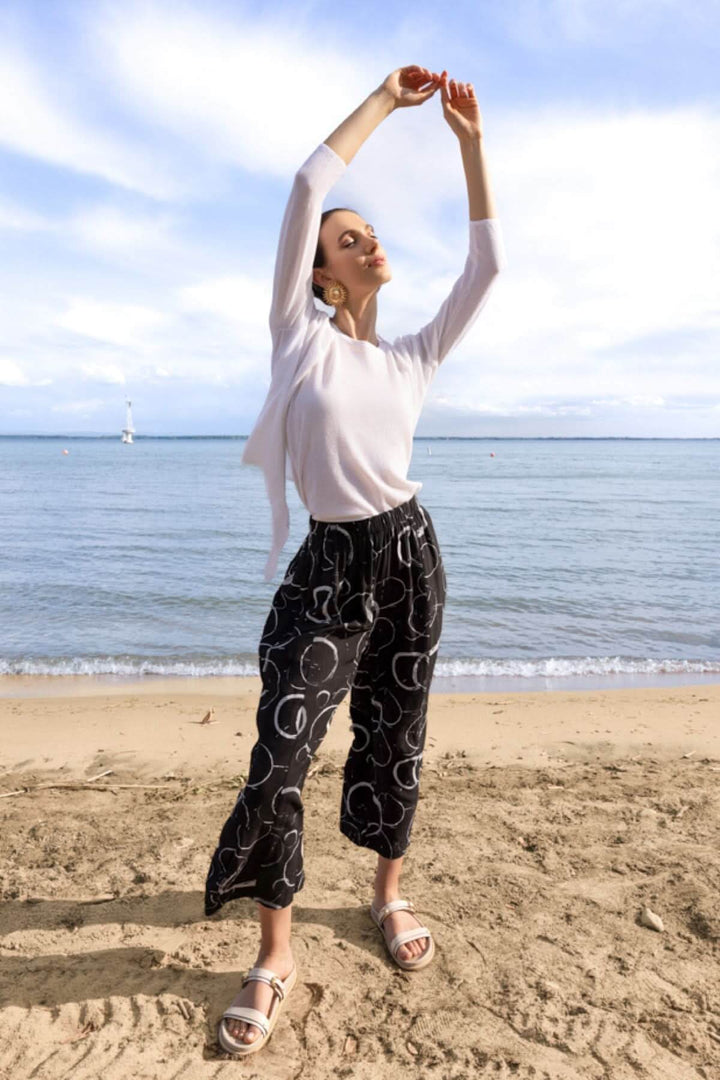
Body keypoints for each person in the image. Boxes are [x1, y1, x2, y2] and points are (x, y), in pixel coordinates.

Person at [205, 64, 506, 1057]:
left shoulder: (411, 358)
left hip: (412, 555)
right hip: (330, 566)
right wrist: (385, 100)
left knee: (396, 732)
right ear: (321, 277)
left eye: (367, 230)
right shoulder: (300, 343)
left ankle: (387, 893)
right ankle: (276, 951)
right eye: (346, 239)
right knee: (283, 747)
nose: (363, 237)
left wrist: (468, 143)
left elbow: (489, 270)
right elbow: (304, 186)